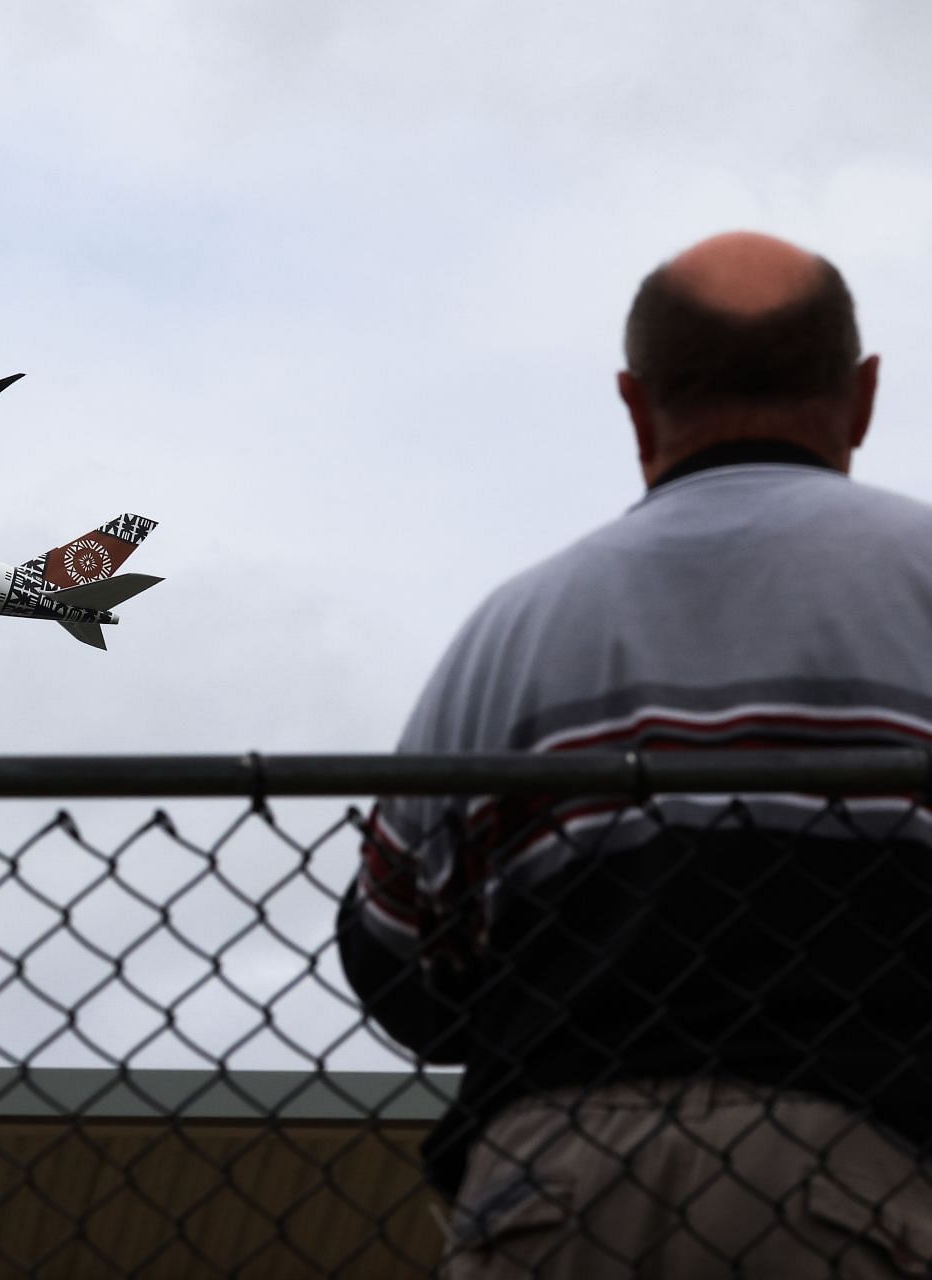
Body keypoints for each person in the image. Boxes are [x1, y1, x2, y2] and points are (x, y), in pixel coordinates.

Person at [337, 231, 932, 1276]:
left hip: (546, 1182)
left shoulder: (508, 631)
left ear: (636, 402)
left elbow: (396, 968)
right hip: (867, 1167)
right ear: (865, 393)